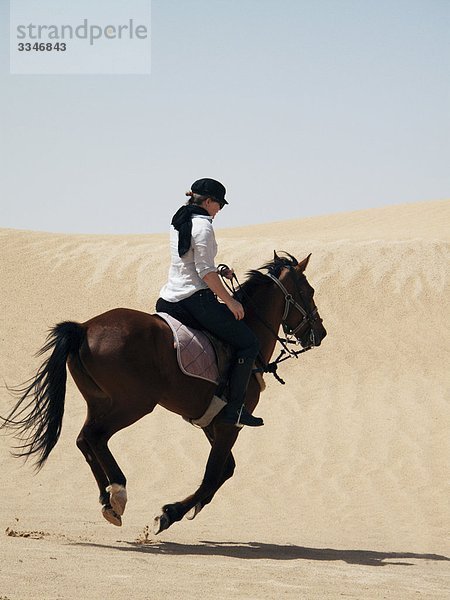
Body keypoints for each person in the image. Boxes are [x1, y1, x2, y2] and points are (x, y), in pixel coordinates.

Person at [156, 178, 264, 428]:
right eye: (219, 205)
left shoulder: (179, 219)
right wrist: (230, 302)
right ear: (207, 201)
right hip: (195, 300)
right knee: (249, 343)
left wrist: (218, 271)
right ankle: (236, 409)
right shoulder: (203, 226)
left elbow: (190, 261)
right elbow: (204, 272)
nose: (219, 210)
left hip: (169, 299)